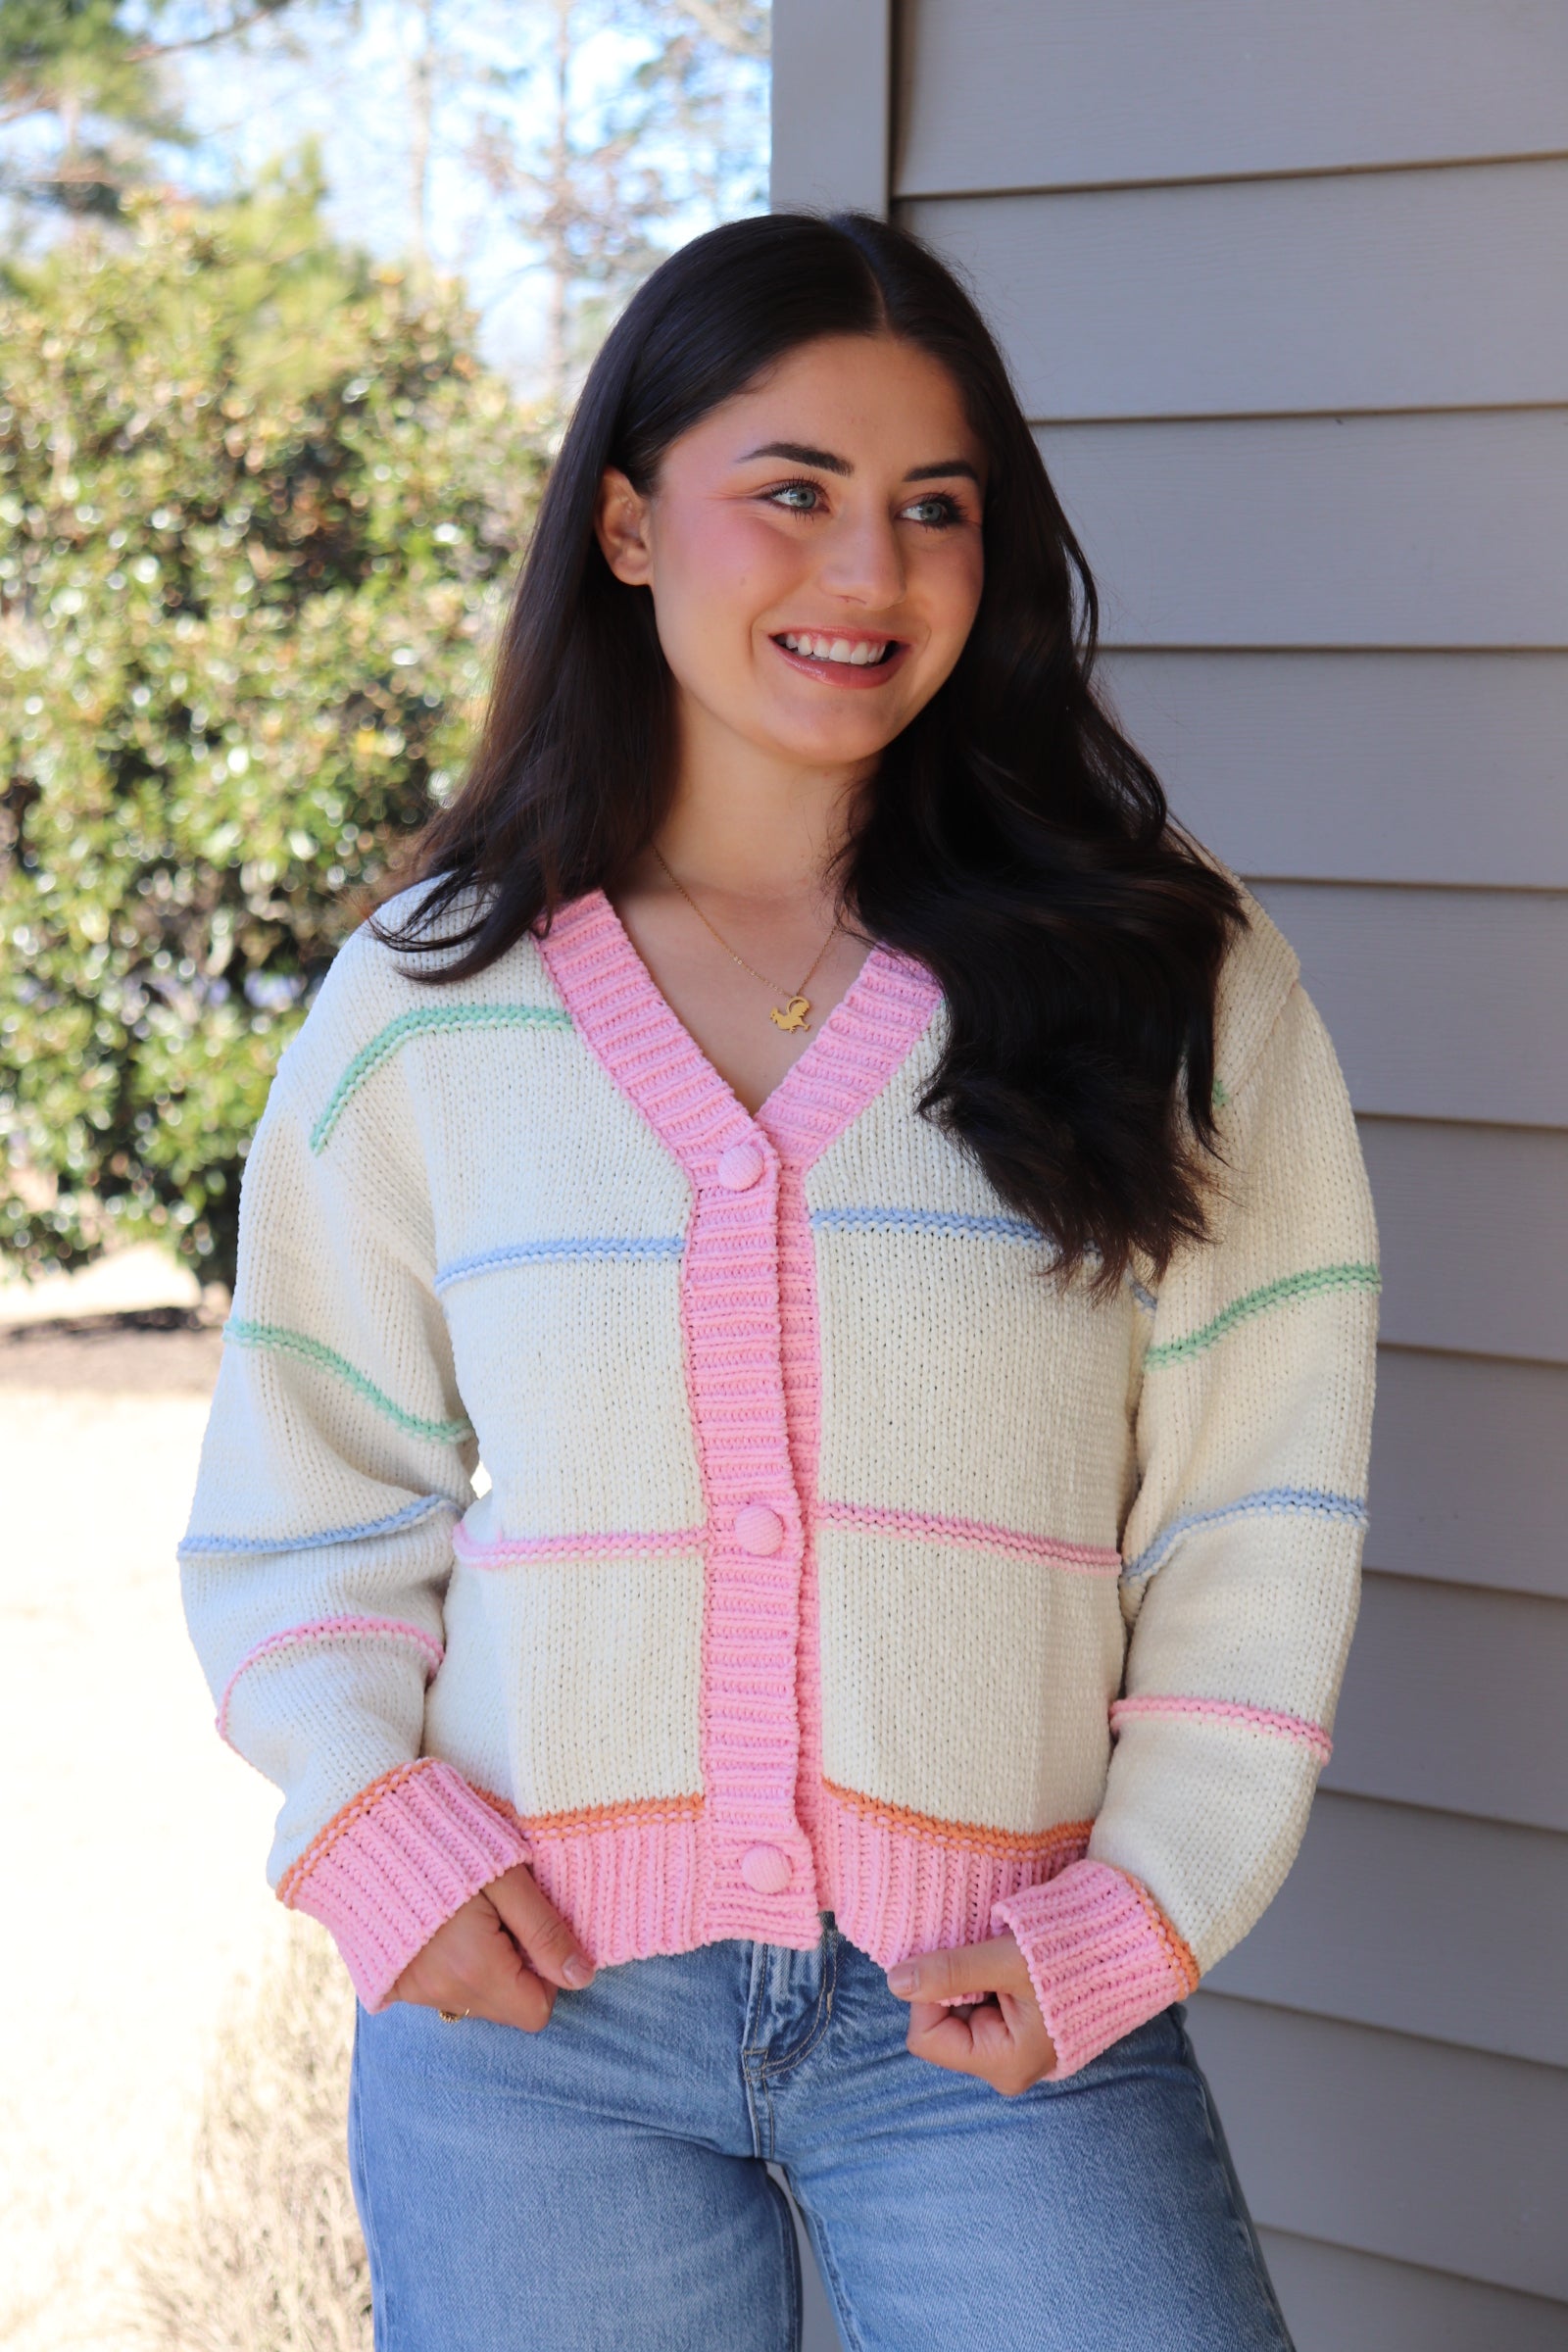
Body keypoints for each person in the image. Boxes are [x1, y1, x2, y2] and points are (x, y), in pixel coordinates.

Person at [180, 212, 1378, 2351]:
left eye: (934, 510)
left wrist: (1136, 1909)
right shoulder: (426, 1005)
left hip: (990, 2005)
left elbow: (1251, 1513)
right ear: (631, 525)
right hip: (533, 2016)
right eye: (792, 494)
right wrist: (377, 1831)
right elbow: (305, 1505)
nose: (868, 575)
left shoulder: (1164, 975)